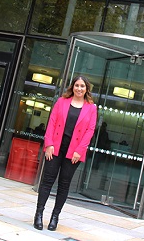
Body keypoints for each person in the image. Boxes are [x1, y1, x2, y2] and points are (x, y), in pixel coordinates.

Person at [34, 75, 97, 231]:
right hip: (55, 148)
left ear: (86, 88)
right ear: (72, 87)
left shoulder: (91, 108)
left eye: (82, 86)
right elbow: (52, 123)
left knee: (64, 184)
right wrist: (48, 144)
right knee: (47, 181)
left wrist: (79, 150)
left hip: (74, 152)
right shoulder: (61, 102)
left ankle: (55, 217)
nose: (79, 88)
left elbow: (90, 131)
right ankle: (39, 214)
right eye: (77, 85)